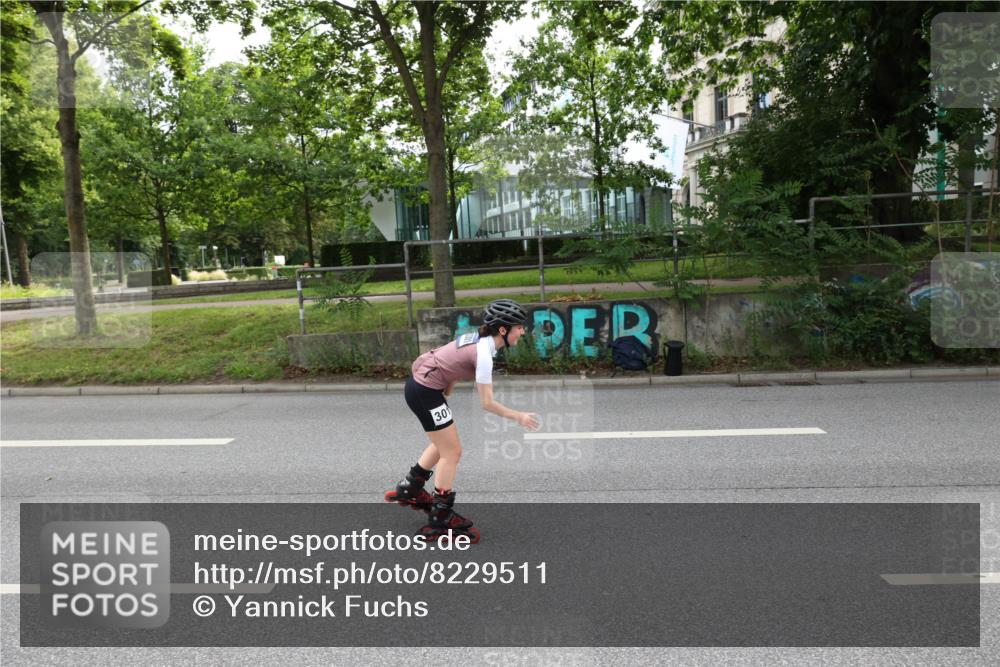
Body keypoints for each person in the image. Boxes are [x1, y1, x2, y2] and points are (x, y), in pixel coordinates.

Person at [385, 299, 540, 543]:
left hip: (424, 387)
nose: (523, 330)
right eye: (519, 326)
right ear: (503, 330)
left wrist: (447, 386)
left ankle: (411, 487)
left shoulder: (479, 340)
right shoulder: (485, 354)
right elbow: (486, 403)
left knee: (443, 443)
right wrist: (518, 416)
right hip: (424, 391)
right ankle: (440, 516)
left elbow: (449, 360)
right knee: (453, 452)